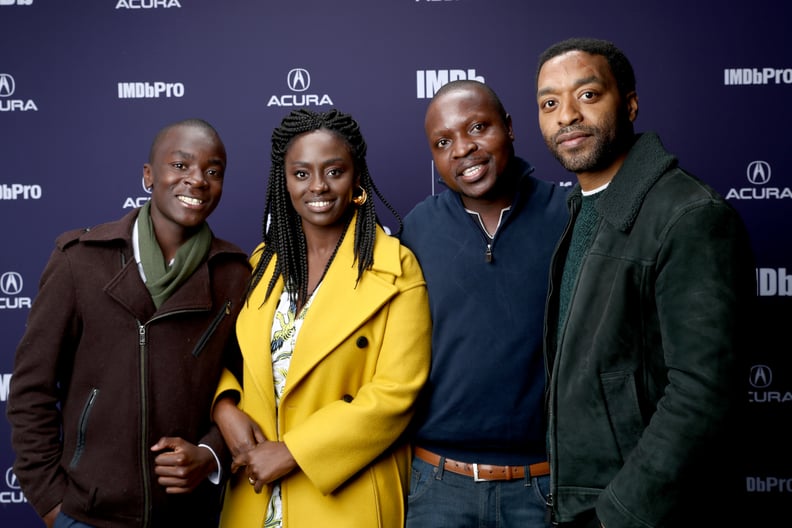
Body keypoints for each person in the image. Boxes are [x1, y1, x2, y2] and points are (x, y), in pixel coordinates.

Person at [535, 37, 755, 527]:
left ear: (630, 103)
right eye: (550, 103)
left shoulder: (689, 215)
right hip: (581, 504)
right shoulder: (586, 208)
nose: (566, 115)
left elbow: (703, 393)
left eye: (587, 95)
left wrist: (617, 514)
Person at [6, 118, 251, 528]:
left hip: (190, 516)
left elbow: (249, 389)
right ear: (148, 175)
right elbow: (32, 389)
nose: (197, 180)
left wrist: (209, 454)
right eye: (181, 165)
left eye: (213, 171)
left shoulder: (235, 275)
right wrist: (52, 504)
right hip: (88, 515)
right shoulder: (79, 261)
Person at [210, 108, 431, 528]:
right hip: (254, 497)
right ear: (284, 182)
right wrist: (224, 407)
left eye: (334, 171)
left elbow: (397, 392)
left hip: (346, 496)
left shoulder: (395, 267)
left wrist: (294, 451)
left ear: (357, 179)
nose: (318, 187)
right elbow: (221, 357)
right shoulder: (263, 265)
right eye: (301, 173)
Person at [400, 79, 569, 527]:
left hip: (545, 484)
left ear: (510, 128)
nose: (463, 149)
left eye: (478, 127)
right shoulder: (418, 227)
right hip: (437, 484)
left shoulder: (569, 214)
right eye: (443, 142)